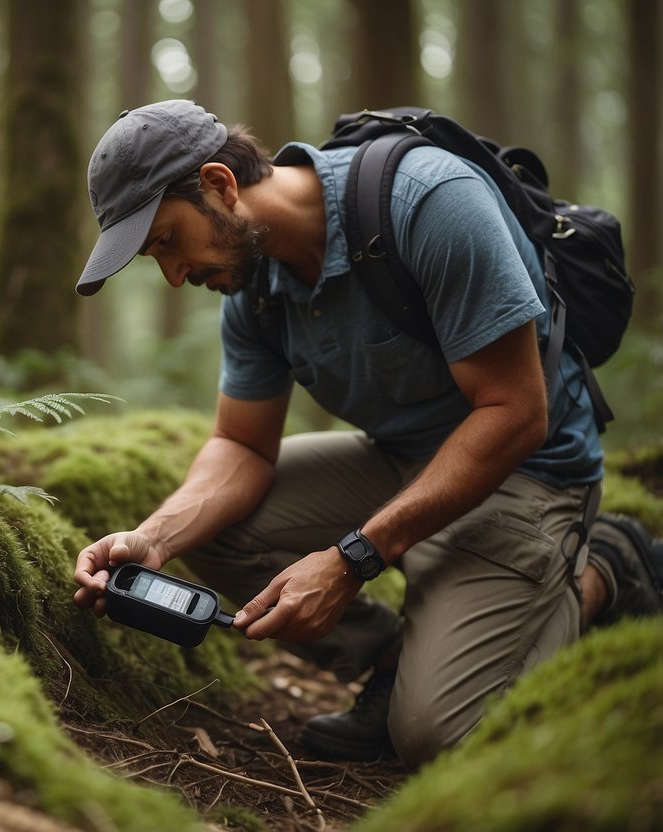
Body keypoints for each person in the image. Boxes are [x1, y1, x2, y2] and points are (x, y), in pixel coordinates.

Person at [70, 99, 663, 766]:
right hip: (403, 461)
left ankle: (606, 569)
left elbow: (514, 414)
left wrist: (353, 557)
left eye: (168, 242)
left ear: (218, 185)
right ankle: (395, 663)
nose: (174, 276)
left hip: (525, 472)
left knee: (441, 739)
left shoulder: (428, 202)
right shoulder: (253, 284)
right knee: (211, 530)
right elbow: (240, 445)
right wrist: (152, 538)